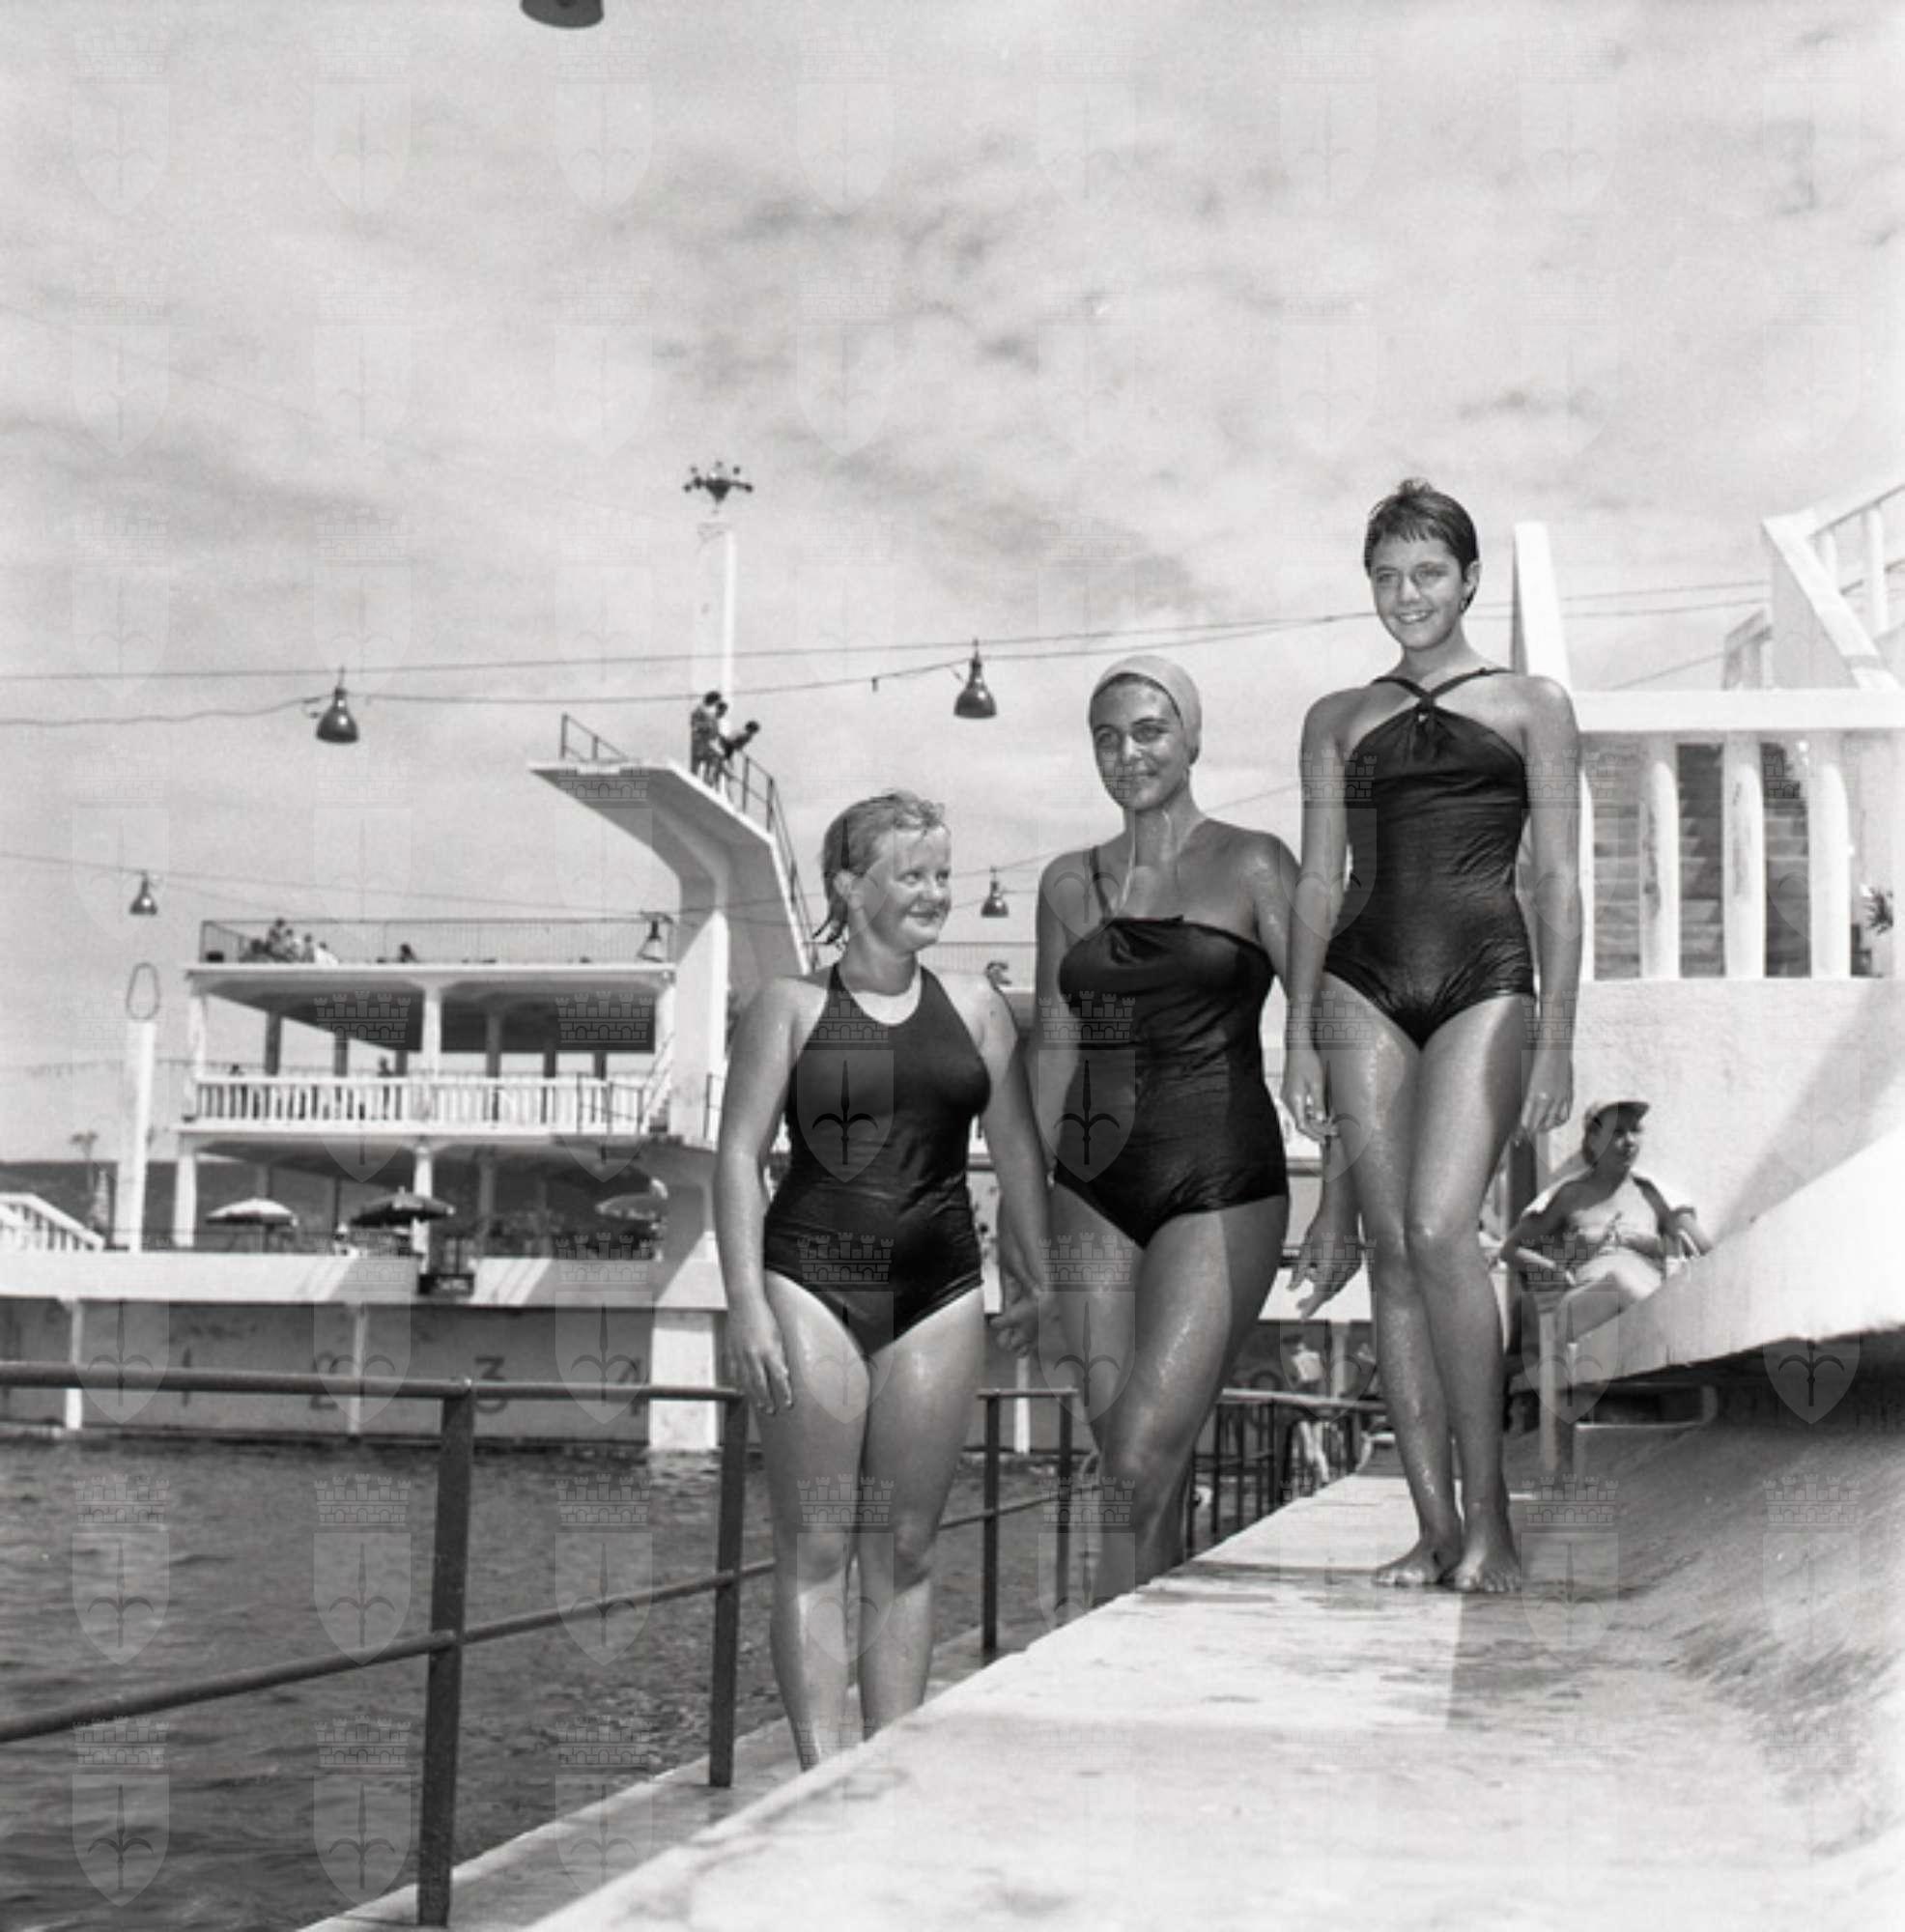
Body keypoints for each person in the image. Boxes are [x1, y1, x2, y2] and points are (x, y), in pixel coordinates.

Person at [1284, 479, 1582, 1595]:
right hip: (1361, 980)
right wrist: (1297, 1034)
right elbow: (1319, 883)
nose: (1405, 594)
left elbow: (1556, 879)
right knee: (1392, 1252)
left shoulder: (1531, 704)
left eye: (1425, 573)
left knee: (1438, 1225)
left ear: (1467, 579)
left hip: (1484, 978)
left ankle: (1493, 1525)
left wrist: (1555, 1037)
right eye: (1385, 576)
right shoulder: (1335, 718)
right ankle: (1431, 1527)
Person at [716, 790, 1050, 1769]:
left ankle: (886, 1774)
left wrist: (1038, 1274)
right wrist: (746, 1304)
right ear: (850, 887)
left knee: (904, 1546)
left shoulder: (979, 1010)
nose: (935, 892)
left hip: (939, 1289)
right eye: (911, 875)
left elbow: (1018, 1154)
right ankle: (820, 1779)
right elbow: (736, 1158)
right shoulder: (788, 1008)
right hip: (807, 1282)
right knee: (817, 1545)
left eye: (943, 873)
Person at [1032, 654, 1335, 1604]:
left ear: (1192, 739)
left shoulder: (1254, 863)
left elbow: (1330, 1021)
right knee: (1131, 1467)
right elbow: (1053, 1043)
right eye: (1106, 737)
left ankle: (1095, 1658)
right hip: (1090, 1192)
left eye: (1149, 730)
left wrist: (1342, 1201)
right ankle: (1138, 1648)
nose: (1127, 753)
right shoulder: (1065, 883)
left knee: (1136, 1459)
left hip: (1219, 1181)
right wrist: (1029, 1200)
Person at [1499, 1097, 1712, 1345]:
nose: (1629, 1141)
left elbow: (1707, 1251)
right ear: (1593, 1139)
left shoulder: (1653, 1195)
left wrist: (1657, 1247)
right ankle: (1676, 1336)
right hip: (1585, 1305)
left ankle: (1668, 1333)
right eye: (1617, 1132)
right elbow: (1510, 1249)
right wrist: (1555, 1271)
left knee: (1628, 1286)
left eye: (1635, 1130)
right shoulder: (1571, 1195)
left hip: (1646, 1299)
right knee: (1617, 1282)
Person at [690, 689, 723, 778]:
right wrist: (706, 726)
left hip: (709, 741)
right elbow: (694, 724)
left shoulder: (712, 711)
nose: (717, 703)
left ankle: (707, 779)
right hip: (700, 741)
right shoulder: (699, 710)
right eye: (717, 701)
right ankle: (694, 778)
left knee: (713, 759)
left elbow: (715, 725)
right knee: (696, 763)